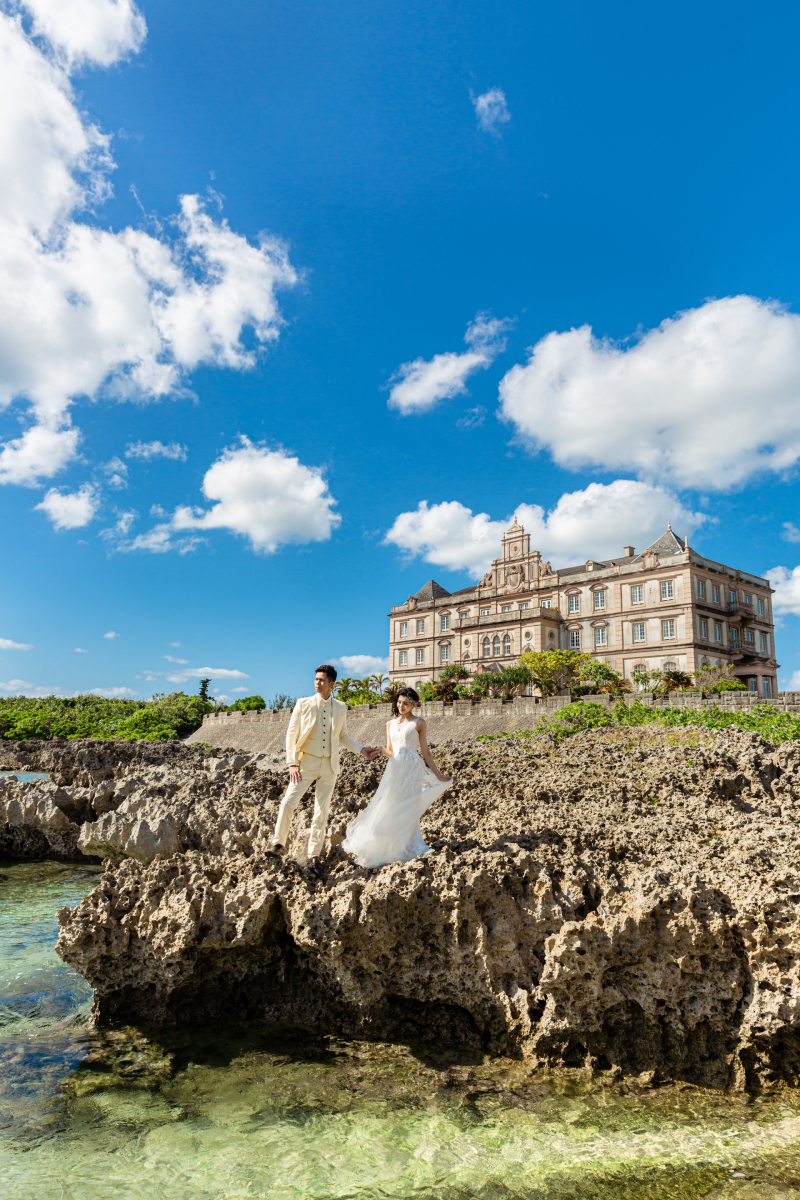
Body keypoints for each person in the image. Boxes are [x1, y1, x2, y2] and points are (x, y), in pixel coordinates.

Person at [268, 665, 380, 877]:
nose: (317, 682)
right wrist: (292, 763)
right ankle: (278, 844)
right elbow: (291, 735)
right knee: (287, 802)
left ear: (332, 684)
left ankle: (314, 856)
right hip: (305, 764)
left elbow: (342, 736)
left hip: (329, 766)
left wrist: (360, 750)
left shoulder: (340, 707)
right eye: (316, 679)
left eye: (321, 680)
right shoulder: (303, 703)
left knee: (321, 812)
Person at [342, 687, 452, 869]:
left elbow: (425, 752)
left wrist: (438, 775)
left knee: (410, 806)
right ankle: (391, 844)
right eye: (399, 702)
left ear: (413, 705)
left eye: (406, 703)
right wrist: (380, 749)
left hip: (412, 768)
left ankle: (412, 844)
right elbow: (391, 751)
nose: (401, 706)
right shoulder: (389, 724)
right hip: (395, 768)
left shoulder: (419, 723)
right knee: (391, 804)